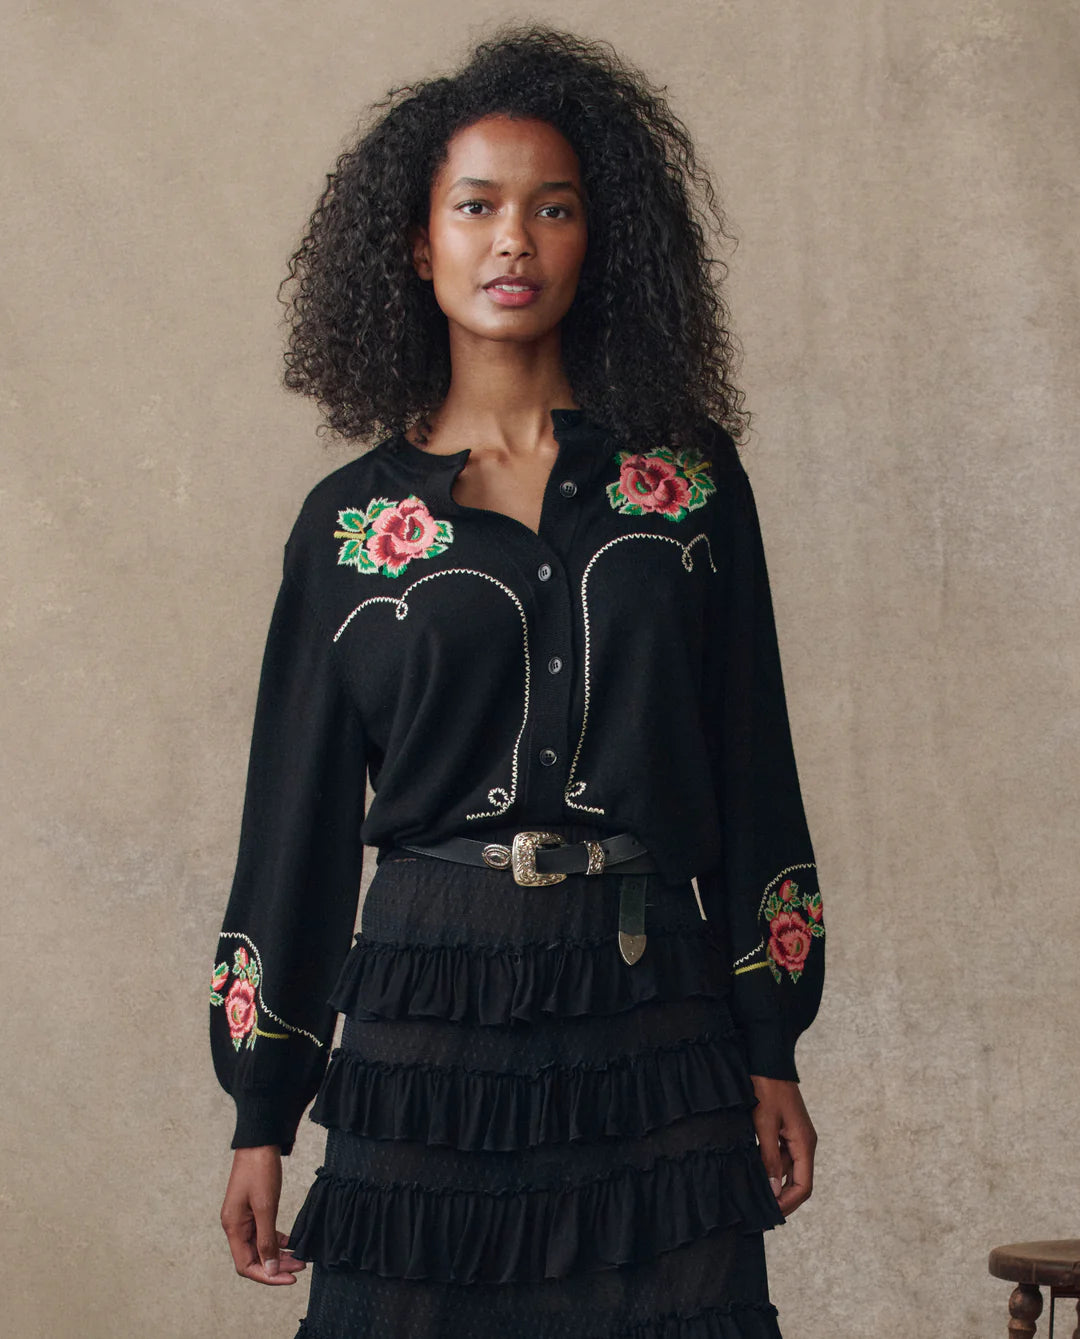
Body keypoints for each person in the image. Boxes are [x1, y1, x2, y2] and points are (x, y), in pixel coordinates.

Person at [211, 23, 825, 1339]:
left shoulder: (688, 484)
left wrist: (772, 1039)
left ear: (601, 240)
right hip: (428, 1009)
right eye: (477, 206)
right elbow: (295, 825)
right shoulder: (349, 528)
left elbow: (750, 761)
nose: (514, 242)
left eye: (553, 208)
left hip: (656, 1017)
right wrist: (263, 1114)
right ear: (414, 243)